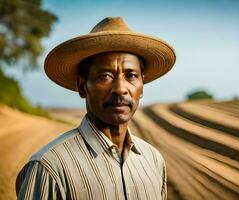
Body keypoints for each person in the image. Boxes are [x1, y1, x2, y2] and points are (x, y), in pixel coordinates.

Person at [16, 17, 176, 200]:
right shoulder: (49, 167)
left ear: (141, 88)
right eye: (106, 76)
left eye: (131, 75)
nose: (121, 89)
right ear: (83, 86)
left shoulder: (153, 161)